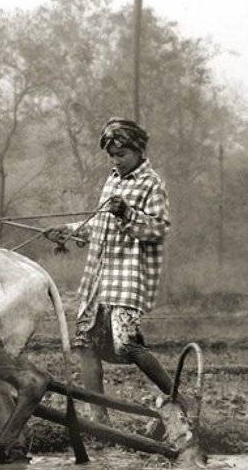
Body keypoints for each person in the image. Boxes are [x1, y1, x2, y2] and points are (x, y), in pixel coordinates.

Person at [47, 117, 176, 422]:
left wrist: (127, 213)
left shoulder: (152, 183)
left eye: (122, 155)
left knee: (126, 343)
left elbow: (158, 229)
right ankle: (99, 417)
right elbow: (100, 227)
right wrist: (68, 230)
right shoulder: (112, 181)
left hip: (129, 277)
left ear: (138, 151)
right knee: (84, 344)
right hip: (98, 278)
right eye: (113, 156)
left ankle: (177, 397)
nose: (117, 161)